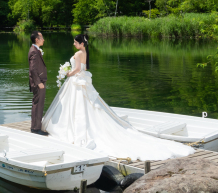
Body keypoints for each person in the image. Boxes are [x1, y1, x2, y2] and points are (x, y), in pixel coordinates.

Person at [42, 33, 194, 161]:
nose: (74, 44)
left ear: (81, 43)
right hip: (83, 81)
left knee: (76, 106)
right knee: (91, 105)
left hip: (77, 82)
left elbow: (76, 70)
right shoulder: (86, 53)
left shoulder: (77, 54)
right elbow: (85, 68)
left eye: (75, 42)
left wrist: (66, 73)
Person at [28, 31, 49, 135]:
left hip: (39, 82)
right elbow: (32, 69)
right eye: (42, 38)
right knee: (38, 105)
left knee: (38, 104)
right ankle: (36, 129)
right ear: (37, 39)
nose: (43, 39)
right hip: (39, 83)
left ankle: (35, 127)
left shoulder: (36, 50)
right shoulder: (34, 51)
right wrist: (38, 82)